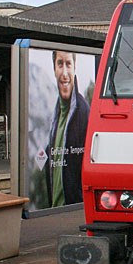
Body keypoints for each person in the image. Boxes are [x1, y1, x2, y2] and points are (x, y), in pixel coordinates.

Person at [46, 50, 90, 207]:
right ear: (54, 69)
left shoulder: (84, 112)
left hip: (72, 211)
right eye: (60, 64)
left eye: (68, 64)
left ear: (74, 68)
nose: (64, 73)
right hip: (56, 210)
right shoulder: (56, 114)